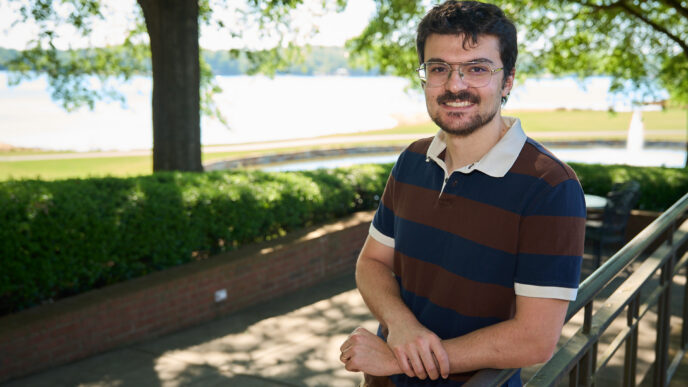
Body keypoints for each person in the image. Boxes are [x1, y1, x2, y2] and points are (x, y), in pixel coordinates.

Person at [338, 1, 586, 386]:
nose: (455, 85)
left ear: (508, 80)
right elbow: (371, 263)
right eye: (439, 69)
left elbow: (535, 340)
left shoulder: (550, 187)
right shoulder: (412, 159)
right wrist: (401, 326)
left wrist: (399, 358)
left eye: (477, 69)